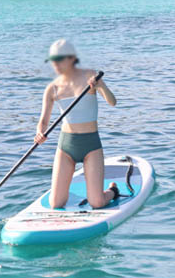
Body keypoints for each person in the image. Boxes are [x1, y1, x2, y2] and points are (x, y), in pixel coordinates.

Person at [34, 39, 118, 209]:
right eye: (53, 61)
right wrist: (40, 133)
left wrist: (101, 86)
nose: (55, 64)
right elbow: (43, 121)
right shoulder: (52, 88)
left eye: (59, 59)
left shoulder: (91, 77)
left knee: (97, 202)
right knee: (56, 203)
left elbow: (112, 102)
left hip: (91, 145)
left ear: (71, 58)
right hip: (66, 146)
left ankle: (113, 191)